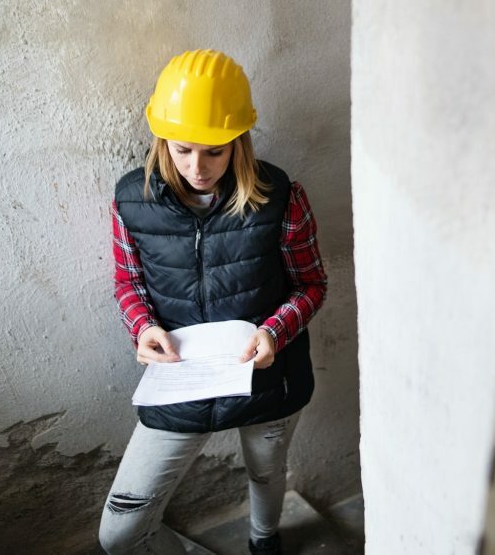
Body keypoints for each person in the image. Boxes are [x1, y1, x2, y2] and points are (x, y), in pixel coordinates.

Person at [98, 49, 327, 555]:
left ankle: (264, 543)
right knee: (119, 534)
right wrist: (142, 329)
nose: (196, 168)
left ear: (238, 143)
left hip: (269, 372)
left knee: (267, 474)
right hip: (181, 380)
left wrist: (274, 332)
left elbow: (311, 285)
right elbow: (128, 282)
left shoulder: (280, 195)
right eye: (182, 151)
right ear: (161, 140)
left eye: (214, 152)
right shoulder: (130, 200)